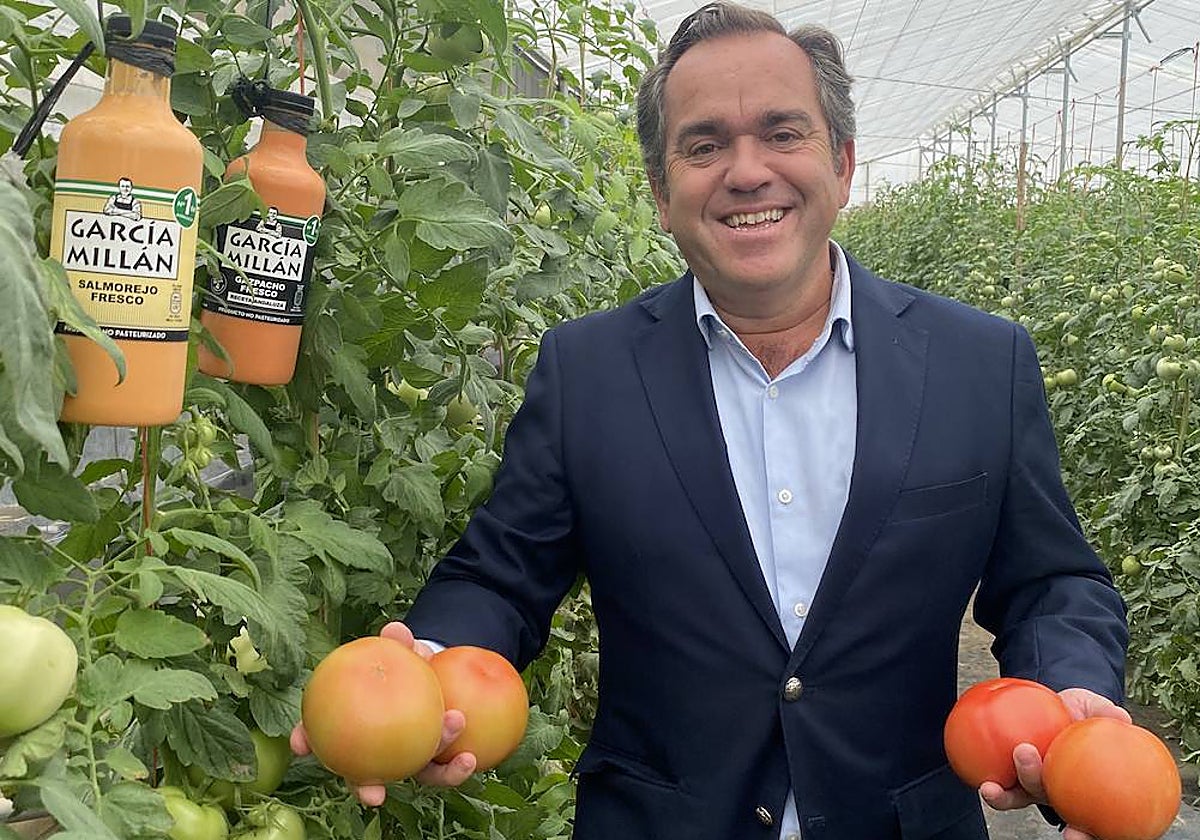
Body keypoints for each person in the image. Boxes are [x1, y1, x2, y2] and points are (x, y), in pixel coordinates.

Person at [292, 4, 1129, 838]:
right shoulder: (590, 371)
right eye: (703, 146)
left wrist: (1067, 693)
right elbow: (502, 575)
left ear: (841, 164)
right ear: (661, 194)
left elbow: (1053, 581)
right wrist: (427, 672)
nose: (746, 171)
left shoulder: (978, 363)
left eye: (782, 133)